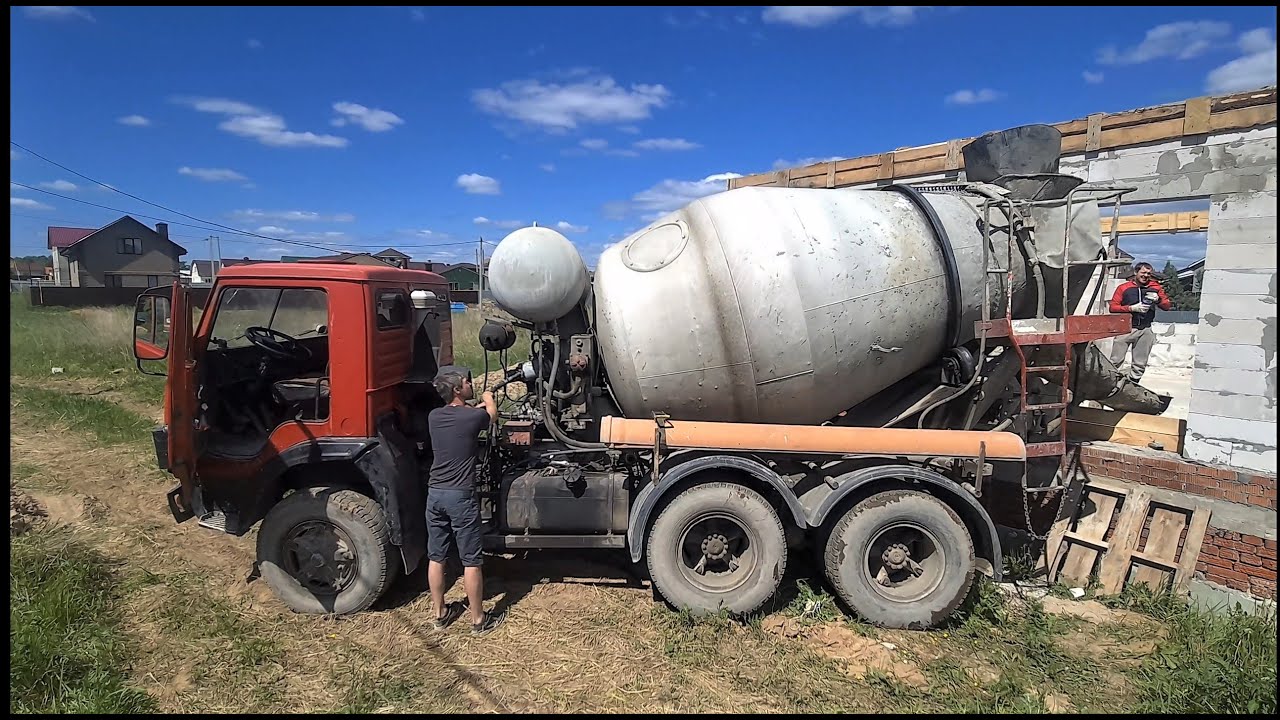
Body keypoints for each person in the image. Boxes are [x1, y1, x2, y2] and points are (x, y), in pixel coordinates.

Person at [426, 367, 504, 635]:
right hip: (460, 495)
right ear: (458, 390)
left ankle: (439, 614)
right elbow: (491, 416)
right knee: (471, 560)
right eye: (466, 382)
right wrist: (489, 398)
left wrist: (474, 407)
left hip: (435, 493)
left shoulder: (434, 416)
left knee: (436, 556)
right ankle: (478, 620)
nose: (470, 383)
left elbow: (464, 415)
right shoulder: (473, 417)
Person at [1108, 262, 1172, 384]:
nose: (1146, 275)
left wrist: (1158, 300)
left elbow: (1167, 306)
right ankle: (1110, 384)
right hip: (1125, 328)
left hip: (1145, 329)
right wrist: (1131, 308)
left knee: (1140, 363)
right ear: (1136, 273)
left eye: (1148, 273)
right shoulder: (1124, 288)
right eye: (1143, 273)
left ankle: (1133, 385)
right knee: (1116, 360)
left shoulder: (1155, 288)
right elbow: (1113, 307)